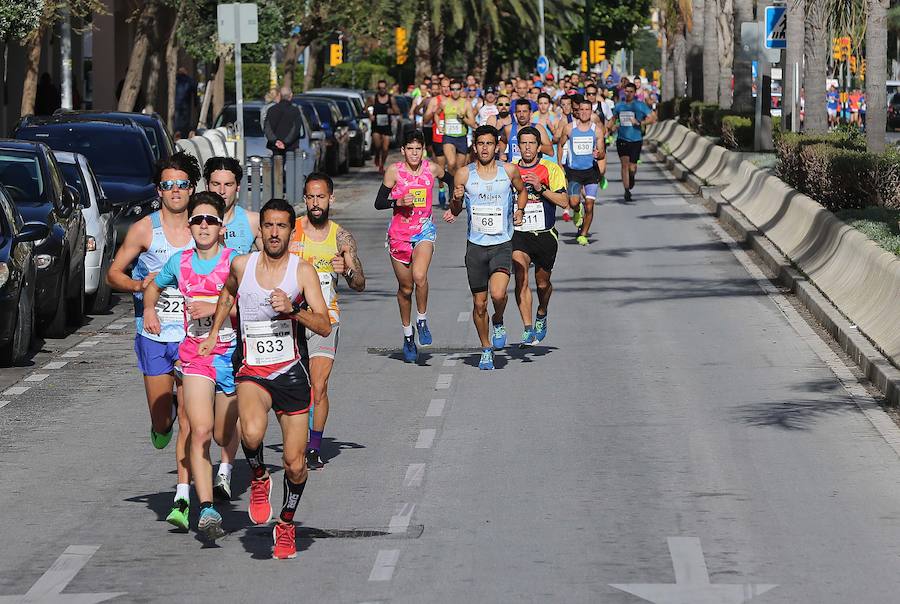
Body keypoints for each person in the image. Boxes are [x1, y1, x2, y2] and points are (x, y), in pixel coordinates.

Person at [199, 198, 332, 560]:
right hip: (253, 368)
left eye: (282, 226)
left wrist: (295, 309)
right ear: (261, 231)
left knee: (295, 463)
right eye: (269, 226)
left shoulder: (302, 272)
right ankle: (259, 477)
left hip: (291, 371)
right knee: (253, 433)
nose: (274, 233)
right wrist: (214, 332)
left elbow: (324, 324)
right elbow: (227, 293)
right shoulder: (242, 265)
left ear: (292, 230)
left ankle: (286, 524)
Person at [106, 152, 199, 530]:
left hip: (195, 336)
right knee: (163, 422)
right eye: (167, 185)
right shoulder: (145, 229)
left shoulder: (204, 225)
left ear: (192, 189)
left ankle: (183, 494)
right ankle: (165, 419)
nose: (174, 191)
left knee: (194, 424)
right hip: (155, 334)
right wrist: (137, 284)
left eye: (181, 184)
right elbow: (114, 272)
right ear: (158, 190)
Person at [142, 191, 239, 542]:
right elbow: (152, 287)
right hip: (196, 356)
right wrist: (150, 309)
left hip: (233, 354)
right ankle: (207, 507)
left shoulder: (235, 263)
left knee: (223, 434)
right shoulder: (179, 264)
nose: (203, 225)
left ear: (221, 226)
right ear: (189, 225)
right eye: (197, 220)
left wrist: (215, 308)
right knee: (199, 431)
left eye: (210, 220)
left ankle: (250, 471)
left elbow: (254, 309)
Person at [290, 173, 366, 470]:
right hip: (292, 318)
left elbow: (360, 283)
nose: (315, 202)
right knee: (296, 388)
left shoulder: (341, 237)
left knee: (318, 387)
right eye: (310, 197)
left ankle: (314, 446)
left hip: (326, 319)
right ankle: (296, 435)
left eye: (321, 197)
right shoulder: (291, 231)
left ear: (331, 198)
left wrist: (347, 269)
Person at [444, 125, 528, 371]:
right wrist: (457, 200)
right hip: (476, 247)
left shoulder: (509, 171)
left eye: (489, 143)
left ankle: (499, 319)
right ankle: (486, 348)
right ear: (474, 146)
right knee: (479, 304)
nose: (484, 148)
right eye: (480, 143)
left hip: (501, 243)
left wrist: (520, 210)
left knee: (498, 295)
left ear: (497, 146)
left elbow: (522, 192)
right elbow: (456, 209)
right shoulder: (463, 174)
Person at [202, 156, 260, 498]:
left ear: (238, 188)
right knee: (200, 410)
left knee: (231, 398)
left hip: (239, 327)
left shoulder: (251, 222)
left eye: (228, 185)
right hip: (197, 328)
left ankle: (224, 470)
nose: (221, 191)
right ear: (206, 185)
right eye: (215, 184)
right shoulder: (195, 221)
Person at [376, 130, 453, 362]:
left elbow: (451, 180)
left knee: (420, 276)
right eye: (410, 149)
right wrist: (397, 201)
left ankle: (422, 320)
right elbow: (379, 202)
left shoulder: (431, 169)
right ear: (403, 151)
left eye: (418, 149)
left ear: (423, 151)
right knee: (405, 289)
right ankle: (408, 335)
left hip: (423, 230)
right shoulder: (394, 172)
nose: (414, 153)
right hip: (399, 235)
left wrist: (454, 204)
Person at [511, 127, 569, 345]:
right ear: (518, 146)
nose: (527, 148)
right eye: (523, 143)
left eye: (531, 143)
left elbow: (564, 202)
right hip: (519, 233)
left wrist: (540, 187)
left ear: (538, 146)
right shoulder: (511, 170)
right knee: (521, 275)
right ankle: (527, 327)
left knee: (542, 284)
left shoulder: (550, 169)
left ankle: (542, 312)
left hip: (545, 234)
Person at [557, 98, 605, 245]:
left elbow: (602, 152)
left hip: (591, 172)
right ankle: (577, 211)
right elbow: (561, 145)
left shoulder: (596, 130)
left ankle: (583, 234)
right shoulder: (569, 128)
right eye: (581, 109)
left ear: (591, 112)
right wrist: (559, 164)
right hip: (574, 172)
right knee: (573, 202)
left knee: (589, 205)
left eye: (587, 110)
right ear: (577, 111)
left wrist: (599, 154)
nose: (584, 112)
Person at [610, 81, 655, 202]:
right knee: (624, 165)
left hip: (636, 139)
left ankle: (631, 177)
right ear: (624, 92)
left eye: (631, 91)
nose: (628, 93)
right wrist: (612, 127)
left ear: (635, 93)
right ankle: (626, 191)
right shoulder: (619, 106)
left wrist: (640, 123)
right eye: (627, 91)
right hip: (622, 139)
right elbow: (613, 119)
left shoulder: (640, 105)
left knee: (632, 167)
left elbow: (653, 118)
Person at [426, 79, 476, 179]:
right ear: (450, 90)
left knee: (460, 167)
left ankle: (457, 185)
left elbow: (473, 123)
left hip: (461, 137)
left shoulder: (466, 104)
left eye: (457, 89)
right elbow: (436, 113)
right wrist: (439, 126)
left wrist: (463, 118)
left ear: (461, 89)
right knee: (451, 163)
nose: (455, 92)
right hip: (448, 137)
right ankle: (452, 185)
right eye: (452, 89)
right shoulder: (444, 103)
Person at [500, 99, 553, 164]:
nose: (521, 115)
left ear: (530, 113)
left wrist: (533, 145)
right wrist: (501, 153)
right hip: (513, 170)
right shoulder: (508, 129)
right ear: (515, 114)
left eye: (524, 111)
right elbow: (502, 141)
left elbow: (550, 152)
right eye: (519, 111)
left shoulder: (538, 128)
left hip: (532, 170)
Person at [369, 80, 401, 174]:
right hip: (376, 125)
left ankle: (382, 165)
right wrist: (370, 115)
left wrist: (392, 111)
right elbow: (366, 108)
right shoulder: (373, 98)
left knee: (385, 148)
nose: (382, 90)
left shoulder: (391, 99)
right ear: (377, 89)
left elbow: (397, 111)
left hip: (386, 125)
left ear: (386, 88)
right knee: (378, 145)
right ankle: (377, 155)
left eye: (384, 88)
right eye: (380, 88)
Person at [264, 87, 302, 161]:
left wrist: (275, 141)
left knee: (275, 170)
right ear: (291, 95)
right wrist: (285, 142)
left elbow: (267, 128)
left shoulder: (271, 110)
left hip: (274, 148)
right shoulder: (295, 111)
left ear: (279, 95)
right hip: (290, 148)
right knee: (290, 170)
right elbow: (295, 129)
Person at [174, 68, 198, 136]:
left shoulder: (176, 79)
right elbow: (194, 90)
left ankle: (177, 131)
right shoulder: (189, 80)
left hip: (177, 103)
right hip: (186, 104)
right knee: (185, 120)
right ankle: (183, 133)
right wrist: (196, 103)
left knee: (178, 119)